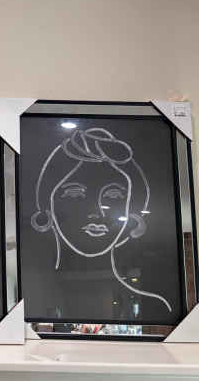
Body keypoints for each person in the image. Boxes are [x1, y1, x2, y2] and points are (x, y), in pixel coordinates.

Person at [30, 127, 172, 317]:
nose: (97, 213)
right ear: (47, 210)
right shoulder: (36, 283)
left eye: (113, 196)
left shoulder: (155, 297)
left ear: (134, 216)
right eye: (75, 194)